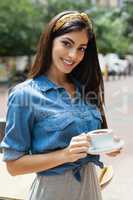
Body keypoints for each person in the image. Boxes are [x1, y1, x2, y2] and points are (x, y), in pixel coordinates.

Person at [0, 11, 122, 200]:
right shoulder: (25, 94)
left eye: (82, 48)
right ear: (50, 42)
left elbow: (92, 141)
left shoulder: (86, 89)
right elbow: (13, 166)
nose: (74, 55)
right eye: (67, 43)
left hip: (92, 190)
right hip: (52, 193)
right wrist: (65, 155)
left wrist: (108, 145)